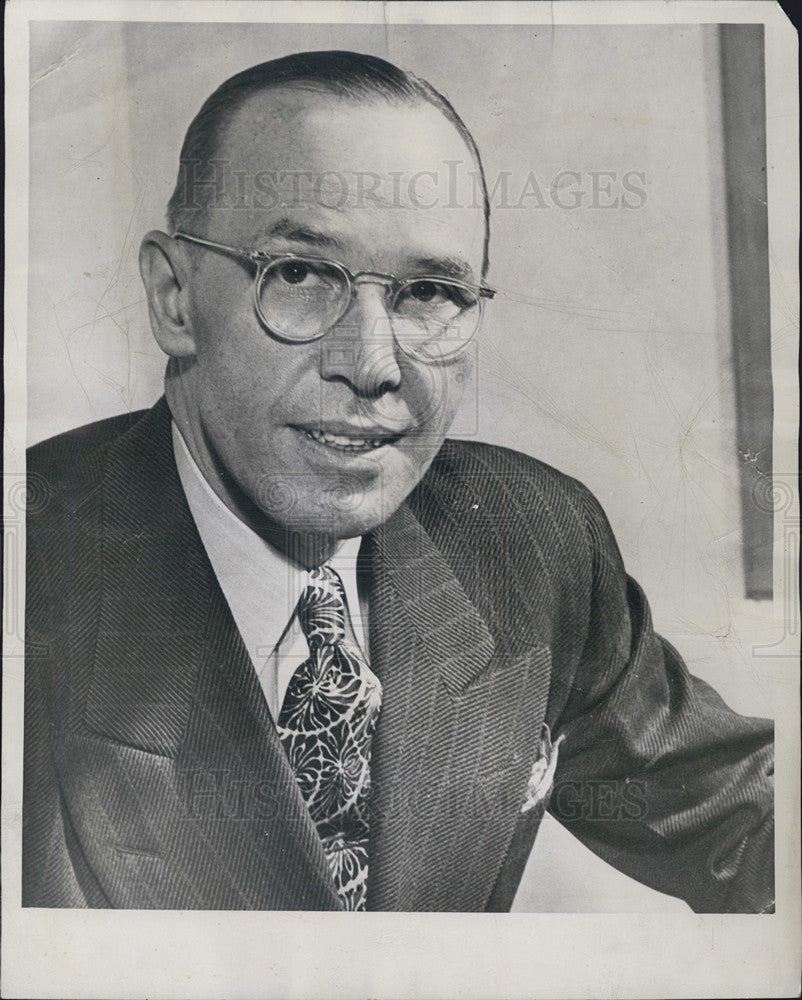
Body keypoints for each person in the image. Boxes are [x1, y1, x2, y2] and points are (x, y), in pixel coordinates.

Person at [23, 50, 774, 913]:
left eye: (428, 292)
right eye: (299, 275)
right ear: (174, 299)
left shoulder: (533, 542)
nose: (374, 364)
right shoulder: (32, 569)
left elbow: (751, 821)